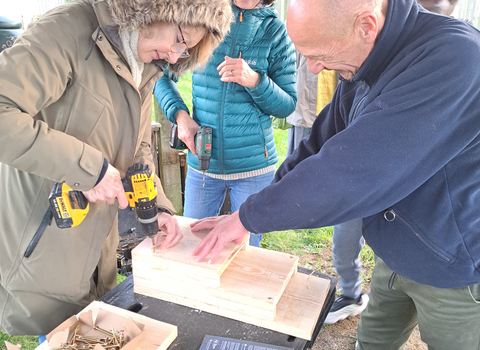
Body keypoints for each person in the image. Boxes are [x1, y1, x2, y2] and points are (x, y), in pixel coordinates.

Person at [189, 0, 480, 348]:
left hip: (453, 263)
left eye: (318, 54)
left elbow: (354, 169)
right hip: (396, 251)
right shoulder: (366, 57)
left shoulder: (454, 57)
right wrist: (246, 211)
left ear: (367, 26)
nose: (313, 69)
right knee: (372, 341)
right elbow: (321, 142)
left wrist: (249, 219)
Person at [0, 0, 232, 337]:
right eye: (180, 39)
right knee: (56, 337)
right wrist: (88, 169)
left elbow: (137, 148)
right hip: (44, 246)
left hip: (96, 254)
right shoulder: (67, 30)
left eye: (185, 51)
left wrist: (158, 208)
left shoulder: (144, 62)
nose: (173, 56)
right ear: (154, 9)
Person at [154, 0, 297, 247]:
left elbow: (287, 105)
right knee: (191, 246)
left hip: (254, 168)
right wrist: (181, 116)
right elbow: (160, 76)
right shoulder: (204, 17)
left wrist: (255, 81)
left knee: (243, 255)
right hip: (203, 162)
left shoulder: (275, 31)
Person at [286, 49, 368, 324]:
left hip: (395, 189)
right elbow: (315, 142)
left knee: (390, 257)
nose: (314, 68)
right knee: (344, 241)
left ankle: (383, 303)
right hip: (354, 179)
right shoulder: (352, 78)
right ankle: (351, 294)